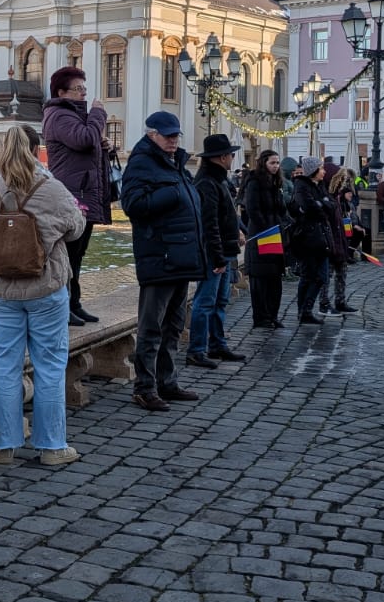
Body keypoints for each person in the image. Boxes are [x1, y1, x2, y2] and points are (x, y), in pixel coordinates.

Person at [0, 124, 86, 465]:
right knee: (49, 365)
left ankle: (2, 445)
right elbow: (76, 228)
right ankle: (52, 447)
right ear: (37, 151)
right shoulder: (51, 188)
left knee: (5, 364)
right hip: (45, 286)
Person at [120, 111, 206, 411]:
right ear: (151, 134)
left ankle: (167, 381)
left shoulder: (175, 163)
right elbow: (132, 204)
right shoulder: (142, 162)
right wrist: (172, 194)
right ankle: (144, 387)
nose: (173, 140)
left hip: (181, 255)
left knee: (173, 326)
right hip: (160, 255)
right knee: (152, 327)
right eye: (167, 135)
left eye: (175, 135)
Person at [40, 66, 111, 327]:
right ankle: (63, 306)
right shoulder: (59, 115)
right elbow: (84, 140)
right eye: (78, 89)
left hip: (82, 194)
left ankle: (74, 303)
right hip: (72, 197)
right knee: (67, 256)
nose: (84, 93)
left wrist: (103, 145)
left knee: (78, 255)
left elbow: (87, 143)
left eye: (84, 88)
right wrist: (98, 114)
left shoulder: (73, 116)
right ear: (61, 92)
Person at [187, 133, 247, 368]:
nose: (232, 158)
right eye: (231, 155)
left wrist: (237, 231)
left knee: (220, 301)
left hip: (226, 249)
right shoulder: (207, 183)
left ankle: (217, 344)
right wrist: (218, 256)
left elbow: (226, 215)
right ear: (222, 157)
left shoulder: (219, 180)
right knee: (205, 302)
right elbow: (209, 224)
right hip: (214, 252)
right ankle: (196, 350)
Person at [242, 149, 287, 329]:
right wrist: (266, 228)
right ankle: (261, 317)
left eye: (277, 163)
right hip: (262, 235)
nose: (275, 166)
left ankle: (272, 315)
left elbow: (281, 209)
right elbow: (253, 209)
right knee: (261, 278)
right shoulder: (255, 182)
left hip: (275, 234)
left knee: (275, 278)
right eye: (272, 163)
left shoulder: (276, 183)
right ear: (264, 163)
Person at [289, 156, 331, 325]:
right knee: (309, 276)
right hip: (307, 238)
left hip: (321, 237)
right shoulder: (302, 186)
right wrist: (321, 205)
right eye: (321, 168)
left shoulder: (320, 186)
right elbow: (310, 207)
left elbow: (331, 205)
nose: (324, 171)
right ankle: (304, 311)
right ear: (314, 170)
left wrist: (322, 204)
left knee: (321, 276)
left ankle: (306, 310)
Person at [321, 170, 357, 313]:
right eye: (341, 179)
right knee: (327, 274)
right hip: (330, 241)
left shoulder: (338, 198)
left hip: (339, 238)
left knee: (342, 271)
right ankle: (324, 302)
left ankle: (340, 301)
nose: (343, 183)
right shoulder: (327, 196)